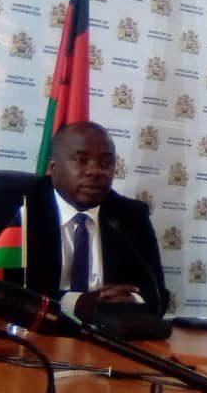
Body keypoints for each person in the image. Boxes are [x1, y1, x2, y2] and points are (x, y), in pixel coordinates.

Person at [24, 122, 167, 320]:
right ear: (53, 168)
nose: (95, 171)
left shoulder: (131, 216)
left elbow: (158, 295)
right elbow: (6, 291)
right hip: (38, 329)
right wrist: (77, 303)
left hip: (106, 332)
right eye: (81, 160)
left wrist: (132, 300)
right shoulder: (24, 210)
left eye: (105, 163)